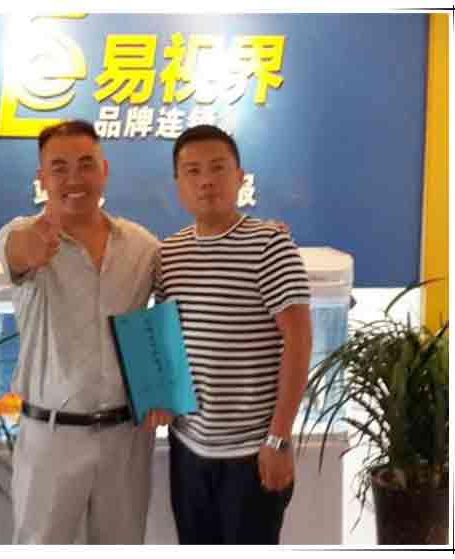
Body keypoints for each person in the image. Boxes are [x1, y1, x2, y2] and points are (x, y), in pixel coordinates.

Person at [0, 120, 171, 544]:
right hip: (50, 437)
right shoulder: (20, 234)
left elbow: (167, 314)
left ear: (104, 170)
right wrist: (34, 246)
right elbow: (18, 252)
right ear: (42, 178)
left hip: (125, 438)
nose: (74, 178)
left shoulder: (142, 245)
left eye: (86, 164)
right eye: (59, 167)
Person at [155, 125, 313, 545]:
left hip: (252, 453)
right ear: (178, 183)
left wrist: (278, 438)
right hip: (188, 448)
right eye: (192, 171)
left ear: (240, 177)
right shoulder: (168, 254)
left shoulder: (270, 245)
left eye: (217, 168)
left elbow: (299, 341)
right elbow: (166, 341)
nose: (206, 180)